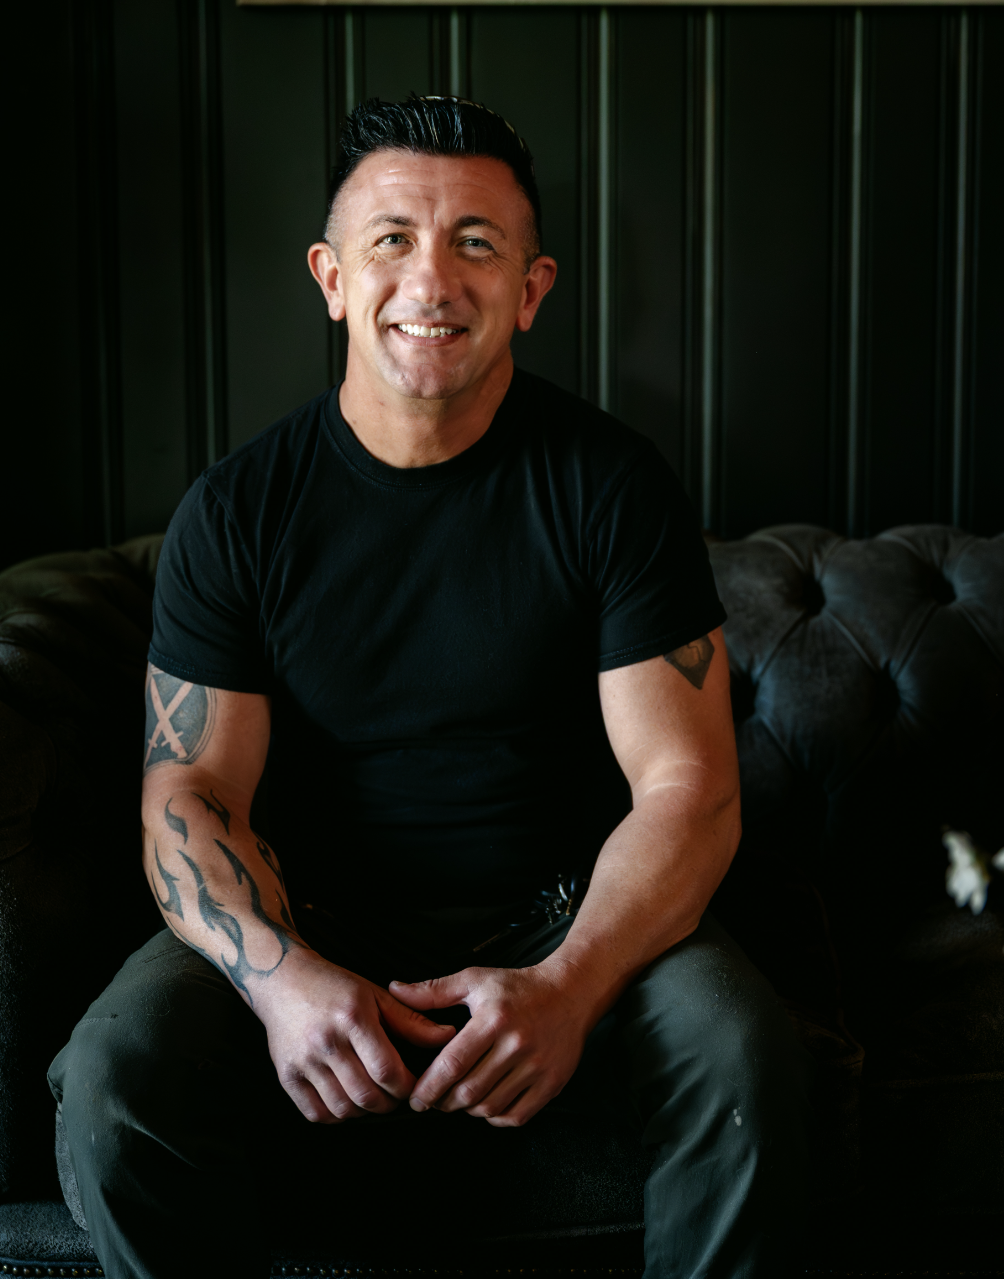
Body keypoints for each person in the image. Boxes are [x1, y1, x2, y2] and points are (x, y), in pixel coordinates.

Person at [49, 96, 811, 1279]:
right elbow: (189, 792)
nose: (431, 280)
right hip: (309, 917)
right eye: (392, 239)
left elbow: (687, 786)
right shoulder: (237, 511)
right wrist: (285, 985)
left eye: (476, 244)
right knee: (112, 1078)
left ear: (531, 289)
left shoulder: (612, 488)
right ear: (331, 277)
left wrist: (567, 988)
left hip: (569, 913)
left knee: (743, 1057)